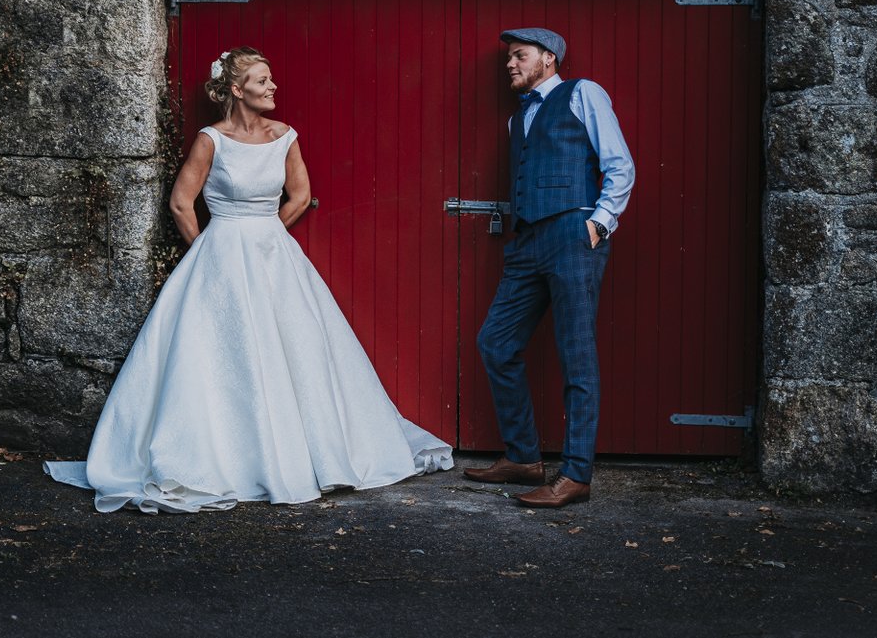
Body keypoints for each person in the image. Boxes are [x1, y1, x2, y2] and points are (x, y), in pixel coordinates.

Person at [45, 46, 453, 512]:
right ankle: (227, 457)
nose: (273, 86)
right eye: (263, 80)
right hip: (219, 252)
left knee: (297, 351)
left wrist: (267, 234)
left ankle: (313, 457)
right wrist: (207, 250)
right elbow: (182, 203)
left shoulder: (284, 137)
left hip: (274, 255)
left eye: (271, 78)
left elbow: (300, 196)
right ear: (237, 90)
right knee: (218, 355)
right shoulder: (210, 140)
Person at [463, 28, 634, 508]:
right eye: (508, 59)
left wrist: (598, 223)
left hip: (573, 236)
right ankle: (523, 458)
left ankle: (575, 474)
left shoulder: (583, 93)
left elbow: (619, 164)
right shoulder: (517, 121)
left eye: (519, 56)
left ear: (548, 59)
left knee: (575, 353)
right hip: (528, 242)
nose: (510, 65)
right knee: (495, 342)